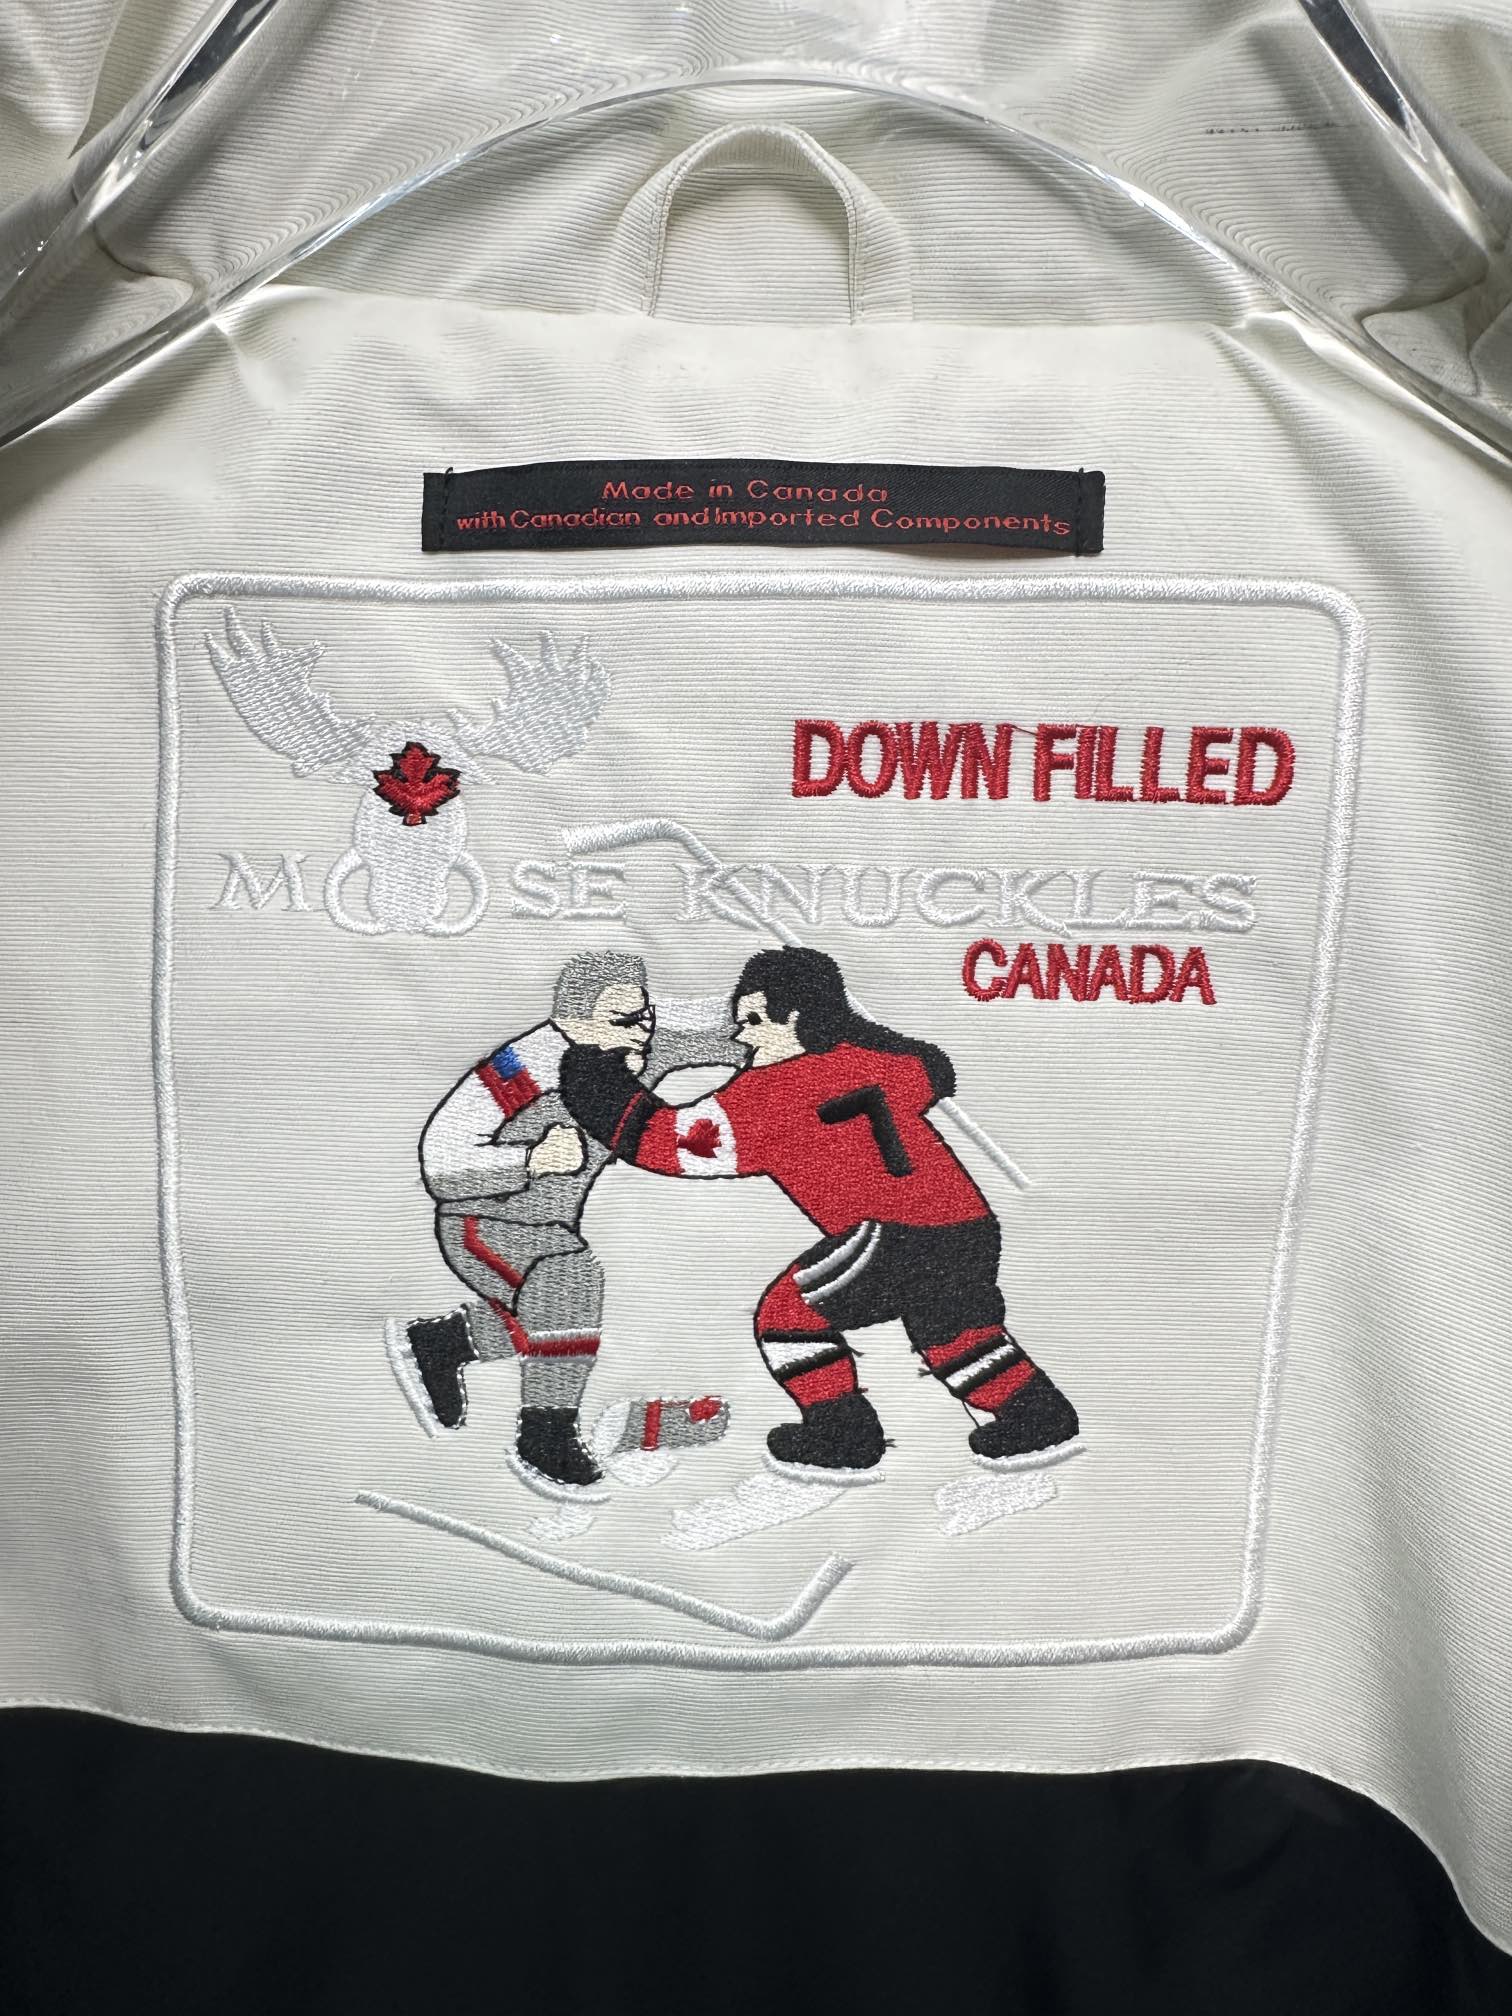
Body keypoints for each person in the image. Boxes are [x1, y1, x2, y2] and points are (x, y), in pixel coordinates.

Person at [559, 945, 1080, 1478]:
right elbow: (929, 1069)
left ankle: (842, 1433)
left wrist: (593, 1075)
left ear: (794, 1018)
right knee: (955, 1333)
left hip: (896, 1236)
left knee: (789, 1317)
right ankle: (1035, 1415)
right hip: (969, 1229)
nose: (742, 1038)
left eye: (754, 1021)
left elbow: (663, 1141)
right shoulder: (877, 1063)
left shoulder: (769, 1095)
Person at [403, 949, 740, 1492]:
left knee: (551, 1318)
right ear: (573, 1020)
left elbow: (729, 1022)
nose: (641, 1032)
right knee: (570, 1284)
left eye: (646, 1016)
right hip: (485, 1220)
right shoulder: (521, 1069)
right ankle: (546, 1434)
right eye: (624, 1020)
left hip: (553, 1226)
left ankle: (446, 1342)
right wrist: (529, 1160)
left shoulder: (640, 1040)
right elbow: (442, 1160)